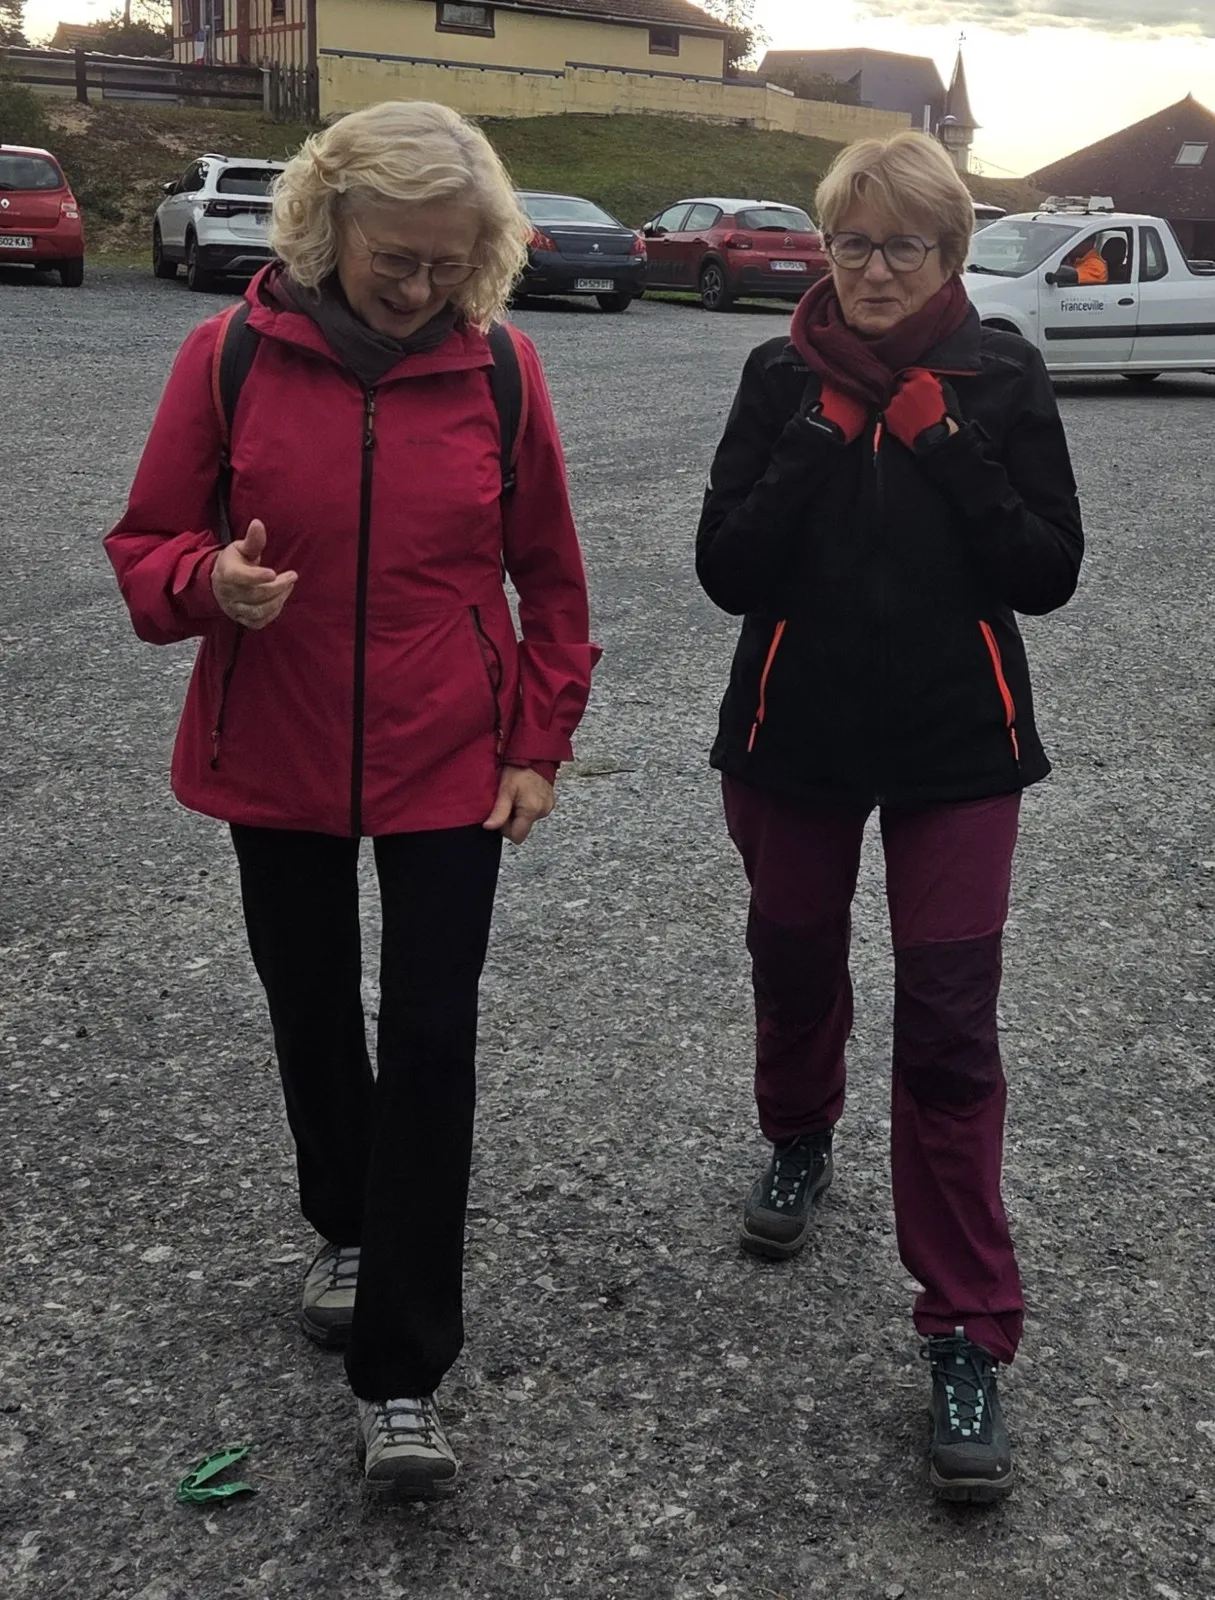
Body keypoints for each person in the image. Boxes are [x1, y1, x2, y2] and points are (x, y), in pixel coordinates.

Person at [105, 100, 599, 1496]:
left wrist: (537, 744)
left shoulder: (502, 370)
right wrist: (212, 582)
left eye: (450, 262)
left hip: (452, 753)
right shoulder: (230, 356)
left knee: (433, 1038)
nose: (420, 286)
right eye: (396, 257)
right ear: (330, 226)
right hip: (279, 741)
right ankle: (344, 1218)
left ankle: (403, 1375)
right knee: (310, 1003)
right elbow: (147, 545)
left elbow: (553, 580)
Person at [696, 130, 1082, 1502]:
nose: (871, 270)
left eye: (902, 246)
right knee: (794, 953)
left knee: (951, 1023)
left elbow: (1047, 572)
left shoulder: (1000, 376)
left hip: (956, 750)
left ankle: (967, 1326)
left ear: (949, 254)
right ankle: (799, 1132)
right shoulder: (775, 375)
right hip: (790, 735)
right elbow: (725, 567)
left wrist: (944, 443)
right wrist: (817, 438)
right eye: (850, 243)